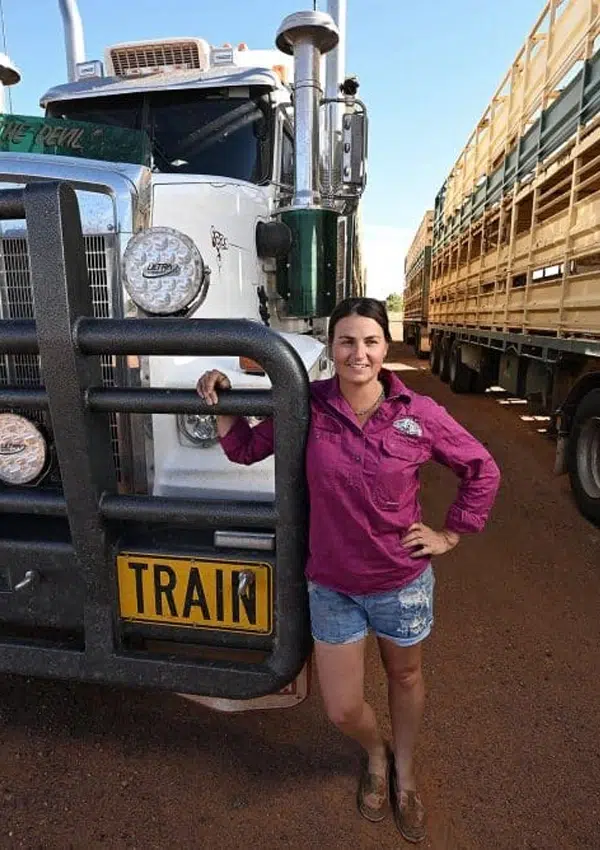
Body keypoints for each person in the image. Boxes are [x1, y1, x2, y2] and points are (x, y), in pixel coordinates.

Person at [197, 297, 500, 844]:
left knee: (405, 676)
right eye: (347, 341)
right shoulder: (306, 404)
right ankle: (374, 750)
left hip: (401, 582)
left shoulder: (419, 413)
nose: (359, 353)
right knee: (341, 708)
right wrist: (223, 397)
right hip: (333, 586)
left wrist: (450, 534)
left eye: (370, 341)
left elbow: (482, 469)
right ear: (332, 347)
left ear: (385, 347)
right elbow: (245, 449)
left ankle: (403, 769)